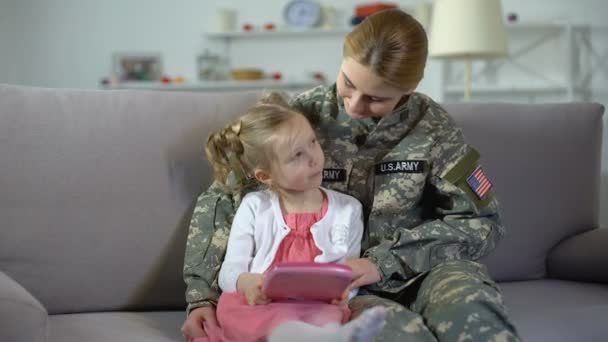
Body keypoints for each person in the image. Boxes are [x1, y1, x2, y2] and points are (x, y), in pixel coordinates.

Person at [182, 9, 521, 342]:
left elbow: (483, 223)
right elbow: (225, 198)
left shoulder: (434, 128)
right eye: (348, 83)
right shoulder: (300, 117)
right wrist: (201, 297)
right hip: (335, 295)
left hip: (427, 271)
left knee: (476, 321)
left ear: (412, 86)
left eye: (376, 98)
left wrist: (385, 261)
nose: (355, 106)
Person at [187, 93, 387, 342]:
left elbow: (349, 271)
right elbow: (230, 270)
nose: (314, 158)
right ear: (265, 176)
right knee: (255, 316)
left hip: (316, 304)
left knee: (326, 316)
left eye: (313, 142)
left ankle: (331, 335)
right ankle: (322, 337)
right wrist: (246, 282)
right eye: (297, 156)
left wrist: (346, 291)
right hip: (258, 303)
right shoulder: (254, 207)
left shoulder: (348, 210)